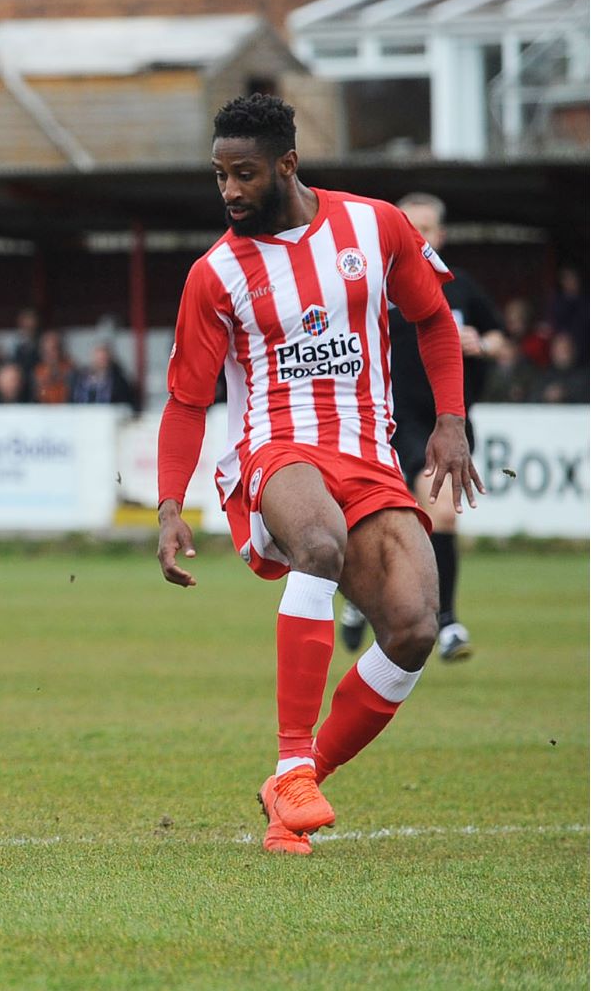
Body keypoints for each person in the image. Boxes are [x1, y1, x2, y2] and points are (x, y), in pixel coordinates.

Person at [155, 94, 481, 856]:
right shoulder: (215, 274)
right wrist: (170, 505)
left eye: (244, 174)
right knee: (320, 545)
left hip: (368, 453)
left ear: (287, 164)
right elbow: (186, 400)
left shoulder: (376, 225)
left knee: (413, 627)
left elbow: (433, 319)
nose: (230, 191)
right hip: (275, 449)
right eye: (219, 176)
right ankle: (293, 759)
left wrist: (450, 421)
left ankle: (293, 790)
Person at [338, 193, 506, 662]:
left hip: (445, 421)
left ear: (441, 236)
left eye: (426, 229)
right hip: (385, 419)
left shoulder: (461, 288)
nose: (418, 237)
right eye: (409, 227)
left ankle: (446, 622)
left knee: (443, 514)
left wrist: (483, 344)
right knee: (377, 520)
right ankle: (363, 597)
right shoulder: (372, 284)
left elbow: (501, 338)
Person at [72, 341, 139, 410]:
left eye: (103, 358)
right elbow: (71, 401)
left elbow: (126, 405)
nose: (100, 361)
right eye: (98, 357)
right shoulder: (79, 378)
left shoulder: (119, 381)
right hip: (81, 414)